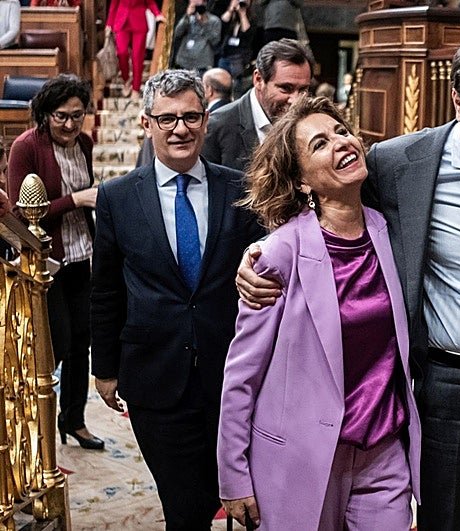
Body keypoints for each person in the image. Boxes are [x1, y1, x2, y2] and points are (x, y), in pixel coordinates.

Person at [238, 28, 460, 530]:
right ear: (459, 103)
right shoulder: (397, 165)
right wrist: (259, 253)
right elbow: (329, 213)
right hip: (453, 391)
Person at [217, 96, 420, 530]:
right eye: (320, 144)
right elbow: (243, 372)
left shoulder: (393, 231)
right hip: (301, 457)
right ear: (302, 182)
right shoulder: (279, 254)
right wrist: (233, 474)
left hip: (383, 451)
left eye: (342, 132)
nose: (341, 143)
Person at [90, 69, 265, 530]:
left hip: (232, 375)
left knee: (243, 497)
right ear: (147, 123)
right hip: (155, 377)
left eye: (190, 117)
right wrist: (104, 368)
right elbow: (106, 289)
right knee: (184, 508)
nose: (180, 129)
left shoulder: (241, 189)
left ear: (206, 120)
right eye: (167, 119)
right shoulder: (117, 197)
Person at [7, 74, 104, 450]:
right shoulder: (26, 147)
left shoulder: (85, 143)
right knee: (58, 342)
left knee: (82, 342)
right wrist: (76, 200)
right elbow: (19, 214)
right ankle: (35, 417)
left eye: (77, 115)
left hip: (80, 255)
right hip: (45, 262)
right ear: (45, 115)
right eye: (61, 116)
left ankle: (73, 420)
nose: (70, 124)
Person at [202, 38, 313, 171]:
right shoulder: (216, 127)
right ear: (258, 80)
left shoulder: (311, 125)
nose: (295, 100)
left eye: (303, 90)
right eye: (286, 88)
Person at [106, 0, 164, 99]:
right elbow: (114, 4)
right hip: (121, 20)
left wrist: (157, 14)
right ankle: (126, 80)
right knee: (121, 52)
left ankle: (136, 88)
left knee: (137, 57)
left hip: (139, 21)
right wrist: (109, 23)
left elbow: (150, 2)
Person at [218, 0, 257, 97]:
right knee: (220, 83)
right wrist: (231, 9)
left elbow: (246, 31)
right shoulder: (232, 16)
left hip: (239, 56)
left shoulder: (252, 18)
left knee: (236, 85)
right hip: (226, 53)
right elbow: (223, 22)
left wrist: (242, 14)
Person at [173, 0, 222, 74]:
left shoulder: (214, 20)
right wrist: (186, 16)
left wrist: (205, 23)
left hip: (202, 63)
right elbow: (178, 33)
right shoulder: (188, 18)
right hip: (183, 61)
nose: (194, 2)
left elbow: (215, 41)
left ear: (204, 3)